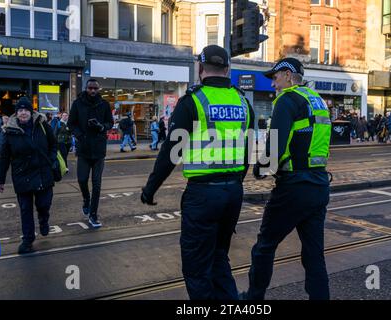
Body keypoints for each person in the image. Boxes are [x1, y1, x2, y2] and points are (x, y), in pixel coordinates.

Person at [140, 45, 254, 300]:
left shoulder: (193, 100)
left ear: (201, 68)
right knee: (218, 257)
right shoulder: (242, 101)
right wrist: (234, 183)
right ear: (227, 69)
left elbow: (171, 152)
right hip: (233, 193)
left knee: (197, 267)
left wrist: (150, 189)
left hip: (203, 196)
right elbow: (247, 151)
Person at [240, 57, 332, 300]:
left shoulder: (287, 100)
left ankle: (252, 299)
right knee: (314, 253)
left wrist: (260, 169)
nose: (273, 84)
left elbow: (275, 147)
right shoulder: (317, 101)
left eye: (276, 77)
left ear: (289, 76)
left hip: (294, 187)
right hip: (319, 185)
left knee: (265, 246)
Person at [0, 97, 57, 254]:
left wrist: (52, 160)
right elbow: (4, 156)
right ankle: (28, 240)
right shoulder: (9, 131)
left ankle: (43, 219)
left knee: (44, 204)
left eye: (26, 110)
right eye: (20, 110)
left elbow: (53, 144)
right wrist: (1, 179)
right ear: (16, 113)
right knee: (25, 209)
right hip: (21, 175)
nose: (23, 113)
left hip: (42, 172)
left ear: (31, 112)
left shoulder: (42, 125)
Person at [67, 79, 113, 228]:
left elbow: (110, 123)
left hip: (99, 150)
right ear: (86, 88)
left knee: (97, 184)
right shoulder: (77, 103)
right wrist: (80, 135)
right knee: (81, 179)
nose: (93, 91)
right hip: (84, 149)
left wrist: (101, 127)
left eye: (95, 88)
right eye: (90, 88)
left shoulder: (104, 104)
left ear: (99, 89)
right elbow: (71, 124)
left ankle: (93, 214)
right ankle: (86, 199)